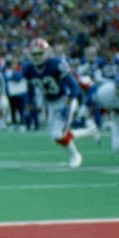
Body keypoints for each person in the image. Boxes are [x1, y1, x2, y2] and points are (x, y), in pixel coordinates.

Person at [21, 37, 94, 167]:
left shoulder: (55, 64)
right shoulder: (28, 69)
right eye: (34, 54)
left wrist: (67, 105)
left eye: (39, 53)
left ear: (46, 52)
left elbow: (73, 87)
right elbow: (30, 90)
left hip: (65, 100)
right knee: (56, 136)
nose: (37, 57)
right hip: (51, 103)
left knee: (57, 134)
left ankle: (75, 156)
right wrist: (27, 107)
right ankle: (89, 131)